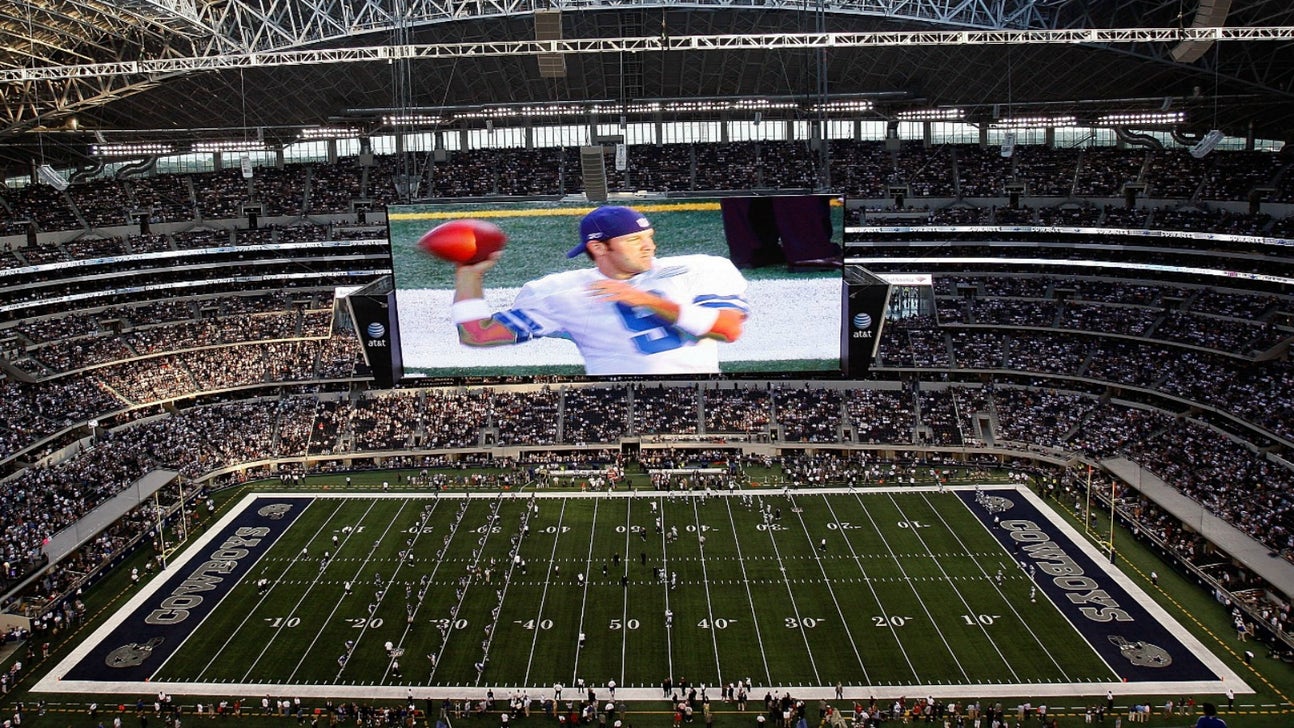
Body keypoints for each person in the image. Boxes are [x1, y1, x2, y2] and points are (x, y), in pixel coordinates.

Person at [451, 205, 750, 375]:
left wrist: (642, 299)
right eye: (635, 240)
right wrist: (468, 276)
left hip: (702, 395)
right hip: (614, 403)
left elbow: (728, 330)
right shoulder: (561, 293)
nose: (650, 246)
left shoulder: (696, 269)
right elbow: (478, 334)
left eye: (649, 236)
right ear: (598, 247)